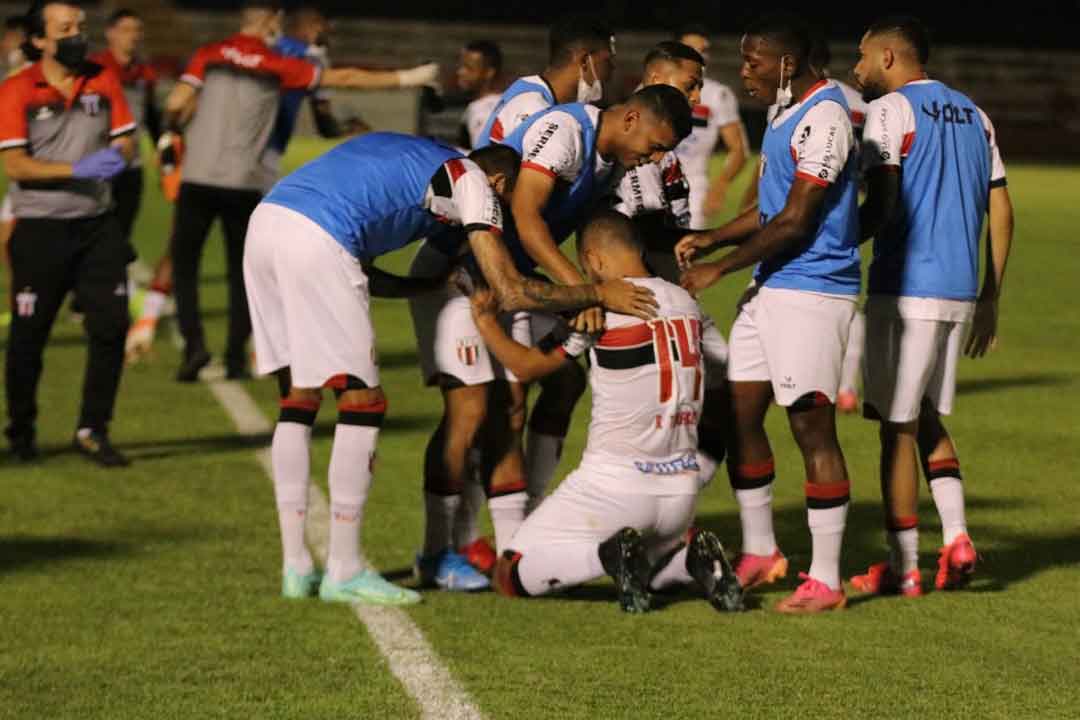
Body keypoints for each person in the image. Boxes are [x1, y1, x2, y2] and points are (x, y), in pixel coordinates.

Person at [244, 131, 658, 603]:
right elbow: (509, 289)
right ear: (499, 182)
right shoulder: (472, 180)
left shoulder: (415, 159)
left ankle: (296, 566)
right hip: (320, 237)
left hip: (267, 223)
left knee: (298, 398)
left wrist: (415, 287)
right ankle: (344, 568)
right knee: (363, 402)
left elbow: (362, 264)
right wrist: (597, 293)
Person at [677, 14, 860, 614]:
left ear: (788, 61)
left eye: (754, 60)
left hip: (812, 291)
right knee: (741, 413)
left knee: (811, 427)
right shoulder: (783, 113)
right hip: (771, 284)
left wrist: (717, 269)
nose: (744, 70)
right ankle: (762, 552)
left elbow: (795, 220)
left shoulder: (828, 116)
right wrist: (711, 238)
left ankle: (827, 579)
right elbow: (765, 212)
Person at [160, 1, 441, 382]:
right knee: (242, 271)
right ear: (271, 19)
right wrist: (409, 78)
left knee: (185, 265)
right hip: (245, 179)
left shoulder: (208, 54)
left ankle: (193, 346)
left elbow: (177, 104)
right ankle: (236, 356)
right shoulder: (279, 63)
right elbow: (346, 78)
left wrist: (169, 137)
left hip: (198, 175)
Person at [478, 210, 742, 614]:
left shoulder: (596, 312)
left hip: (613, 486)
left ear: (594, 260)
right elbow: (727, 376)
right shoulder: (688, 304)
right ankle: (688, 564)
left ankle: (605, 557)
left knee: (509, 572)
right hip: (682, 490)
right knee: (651, 567)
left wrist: (484, 323)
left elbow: (528, 367)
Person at [847, 16, 1014, 596]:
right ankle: (959, 536)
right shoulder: (976, 114)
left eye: (862, 56)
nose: (856, 67)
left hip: (905, 288)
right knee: (926, 417)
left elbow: (885, 202)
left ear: (891, 58)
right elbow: (1002, 208)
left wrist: (835, 240)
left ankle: (903, 567)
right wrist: (990, 295)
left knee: (896, 428)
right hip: (958, 292)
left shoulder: (890, 112)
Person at [123, 4, 361, 364]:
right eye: (326, 26)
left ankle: (150, 324)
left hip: (211, 157)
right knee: (260, 258)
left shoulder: (241, 52)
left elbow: (190, 101)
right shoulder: (309, 58)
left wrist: (178, 135)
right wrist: (352, 126)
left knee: (186, 246)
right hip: (258, 163)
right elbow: (325, 119)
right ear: (313, 26)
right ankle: (260, 347)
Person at [0, 0, 136, 465]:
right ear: (39, 41)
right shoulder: (16, 90)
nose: (79, 34)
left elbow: (125, 136)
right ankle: (21, 430)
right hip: (41, 230)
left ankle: (93, 429)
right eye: (66, 28)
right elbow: (14, 164)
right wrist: (77, 168)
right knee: (28, 337)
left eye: (80, 25)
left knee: (112, 326)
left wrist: (119, 154)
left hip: (98, 226)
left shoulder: (102, 77)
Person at [476, 16, 615, 147]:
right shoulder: (532, 107)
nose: (613, 67)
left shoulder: (536, 96)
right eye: (607, 60)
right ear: (585, 61)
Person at [89, 9, 160, 261]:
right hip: (100, 163)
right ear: (110, 33)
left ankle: (109, 286)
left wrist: (163, 149)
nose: (133, 36)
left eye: (137, 30)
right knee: (95, 228)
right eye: (126, 30)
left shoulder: (144, 73)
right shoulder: (93, 70)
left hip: (133, 165)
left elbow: (152, 117)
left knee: (123, 228)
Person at [673, 25, 750, 229]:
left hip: (694, 188)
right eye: (690, 48)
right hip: (649, 183)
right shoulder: (649, 88)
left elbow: (739, 149)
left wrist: (720, 187)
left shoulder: (718, 94)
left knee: (684, 253)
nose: (698, 55)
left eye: (704, 49)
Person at [456, 40, 503, 150]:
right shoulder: (478, 105)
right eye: (461, 66)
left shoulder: (486, 111)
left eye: (469, 68)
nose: (461, 72)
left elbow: (484, 158)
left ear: (489, 72)